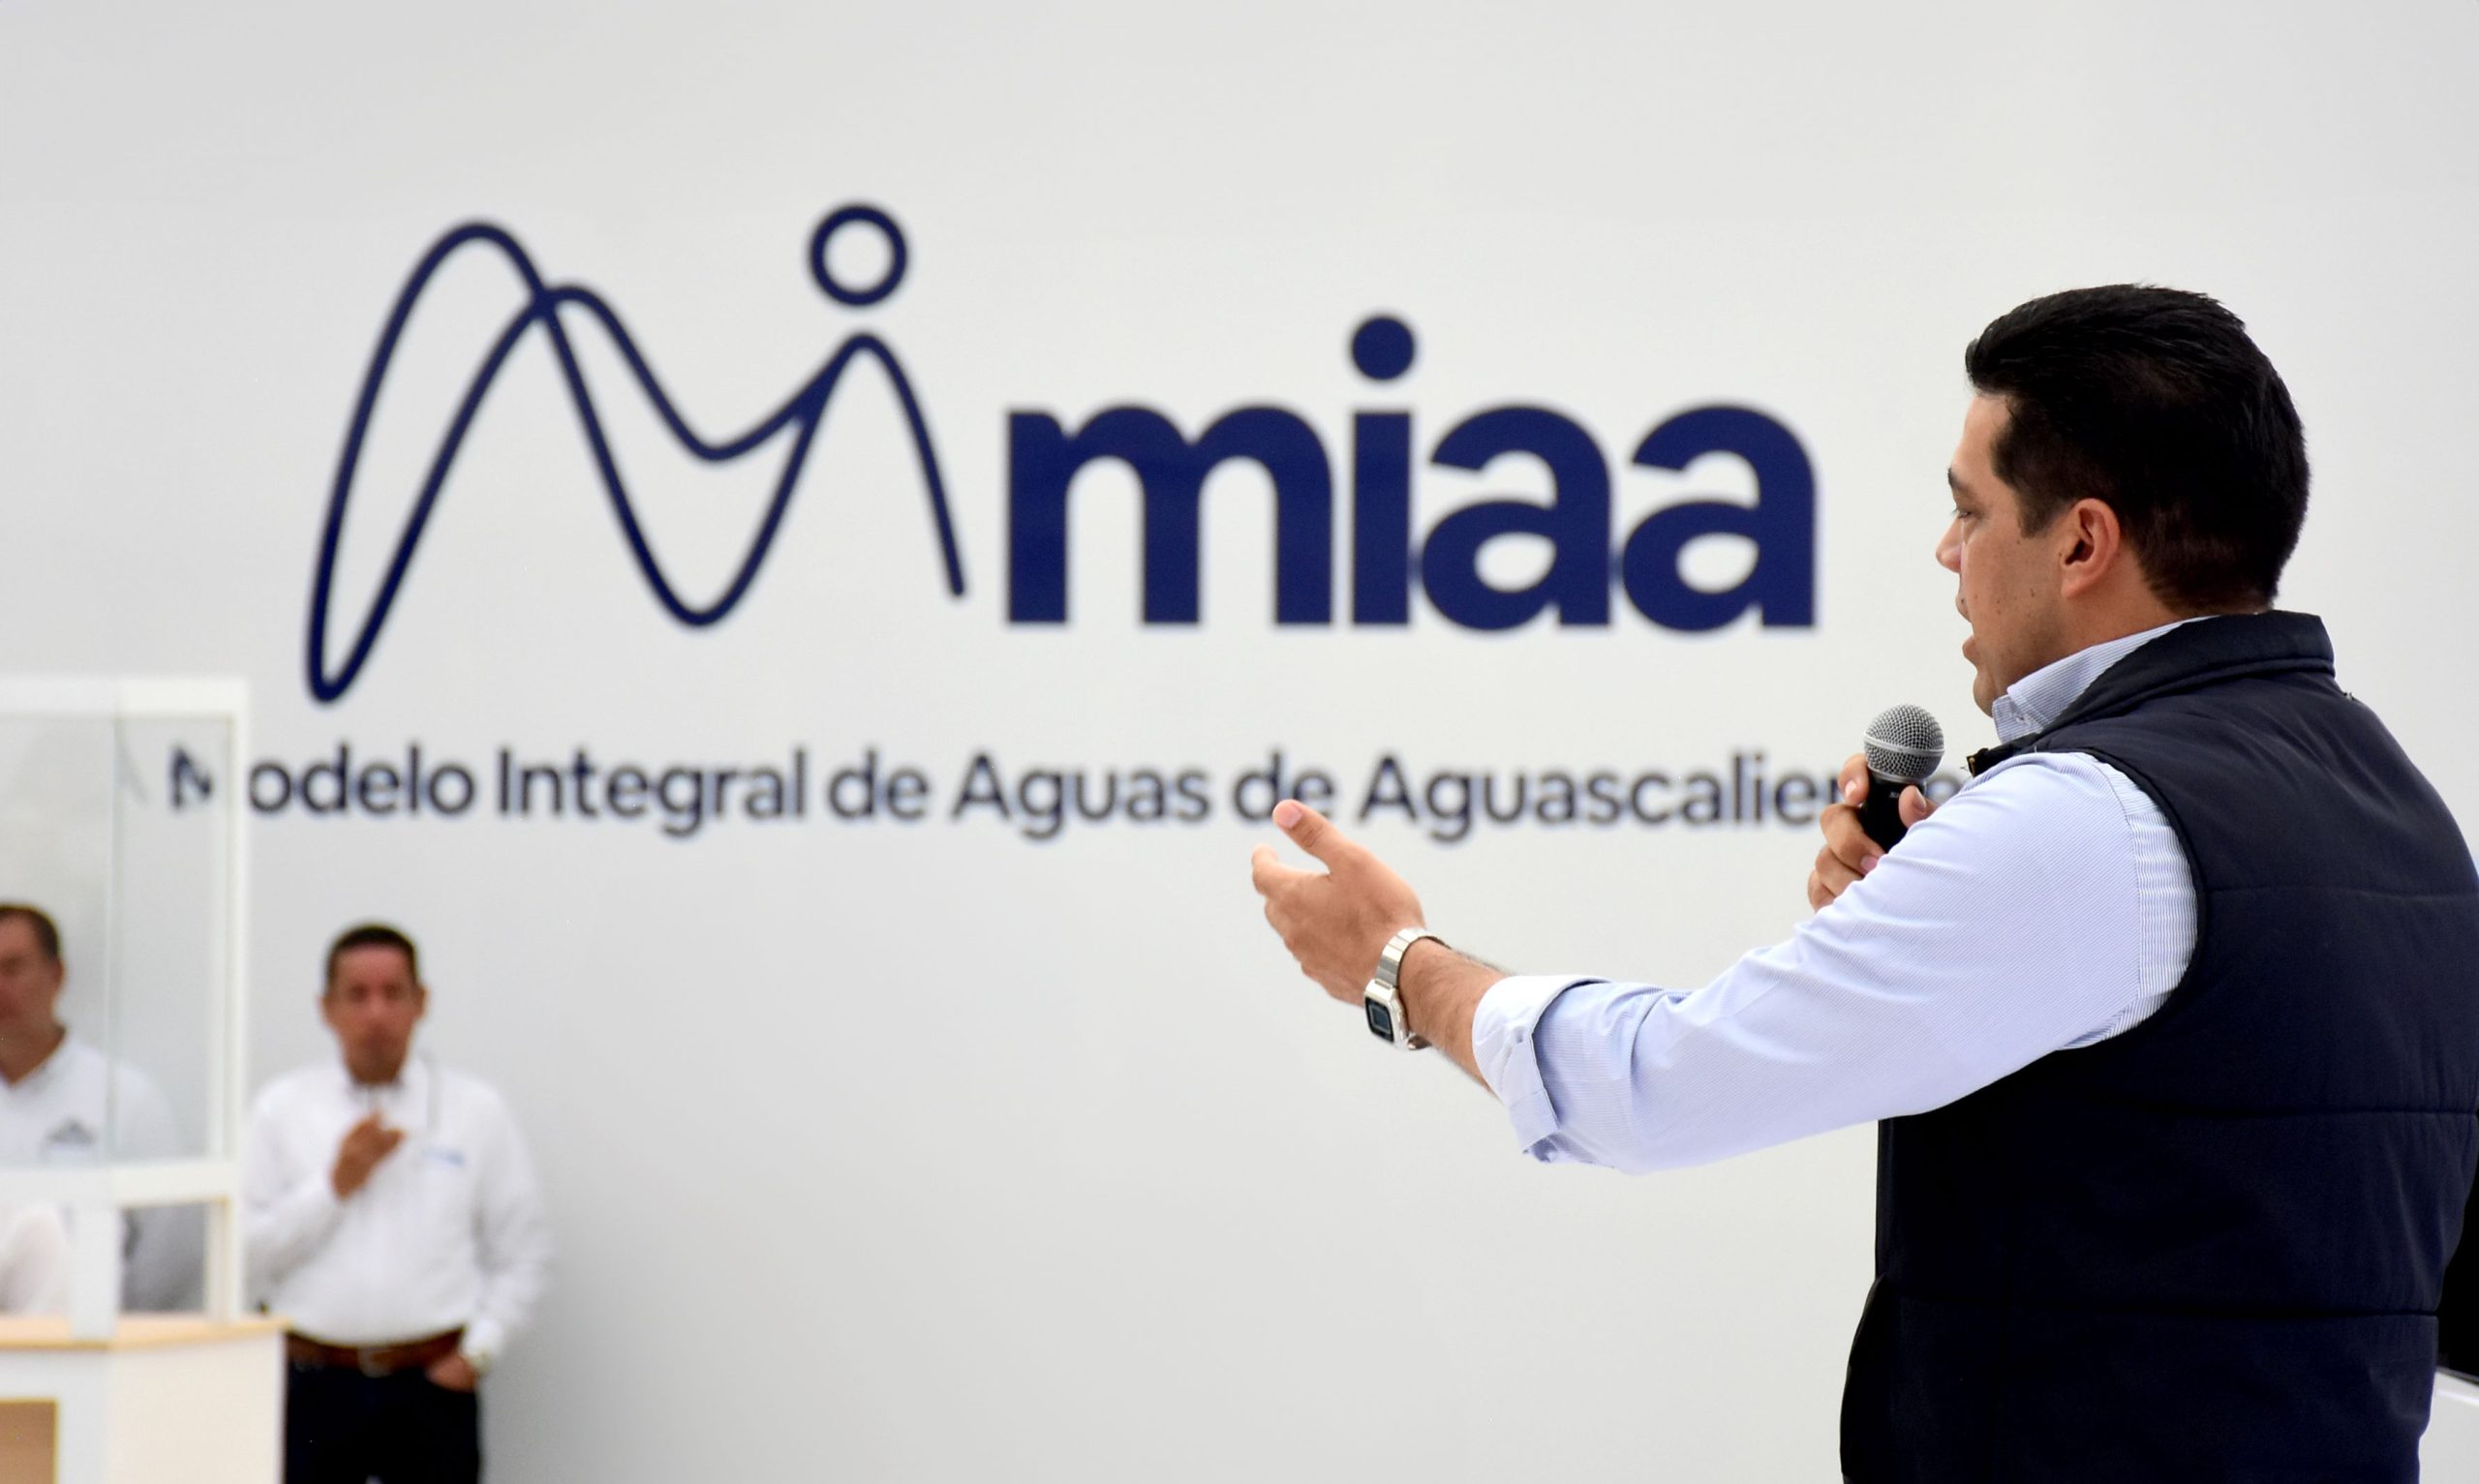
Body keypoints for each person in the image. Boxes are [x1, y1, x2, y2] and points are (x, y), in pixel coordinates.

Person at [1250, 286, 2479, 1481]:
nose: (1946, 552)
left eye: (1969, 511)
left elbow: (1657, 1087)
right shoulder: (2396, 807)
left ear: (2081, 541)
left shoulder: (2080, 822)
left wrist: (1402, 969)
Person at [245, 924, 552, 1484]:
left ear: (421, 1002)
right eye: (357, 995)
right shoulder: (282, 1110)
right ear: (326, 1008)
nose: (376, 1014)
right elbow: (245, 1254)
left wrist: (477, 1355)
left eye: (393, 994)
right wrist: (334, 1186)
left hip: (431, 1385)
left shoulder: (474, 1111)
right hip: (313, 1385)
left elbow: (523, 1253)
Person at [0, 901, 204, 1311]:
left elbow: (170, 1246)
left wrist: (112, 1324)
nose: (1, 988)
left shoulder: (124, 1099)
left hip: (91, 1337)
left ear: (56, 974)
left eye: (12, 968)